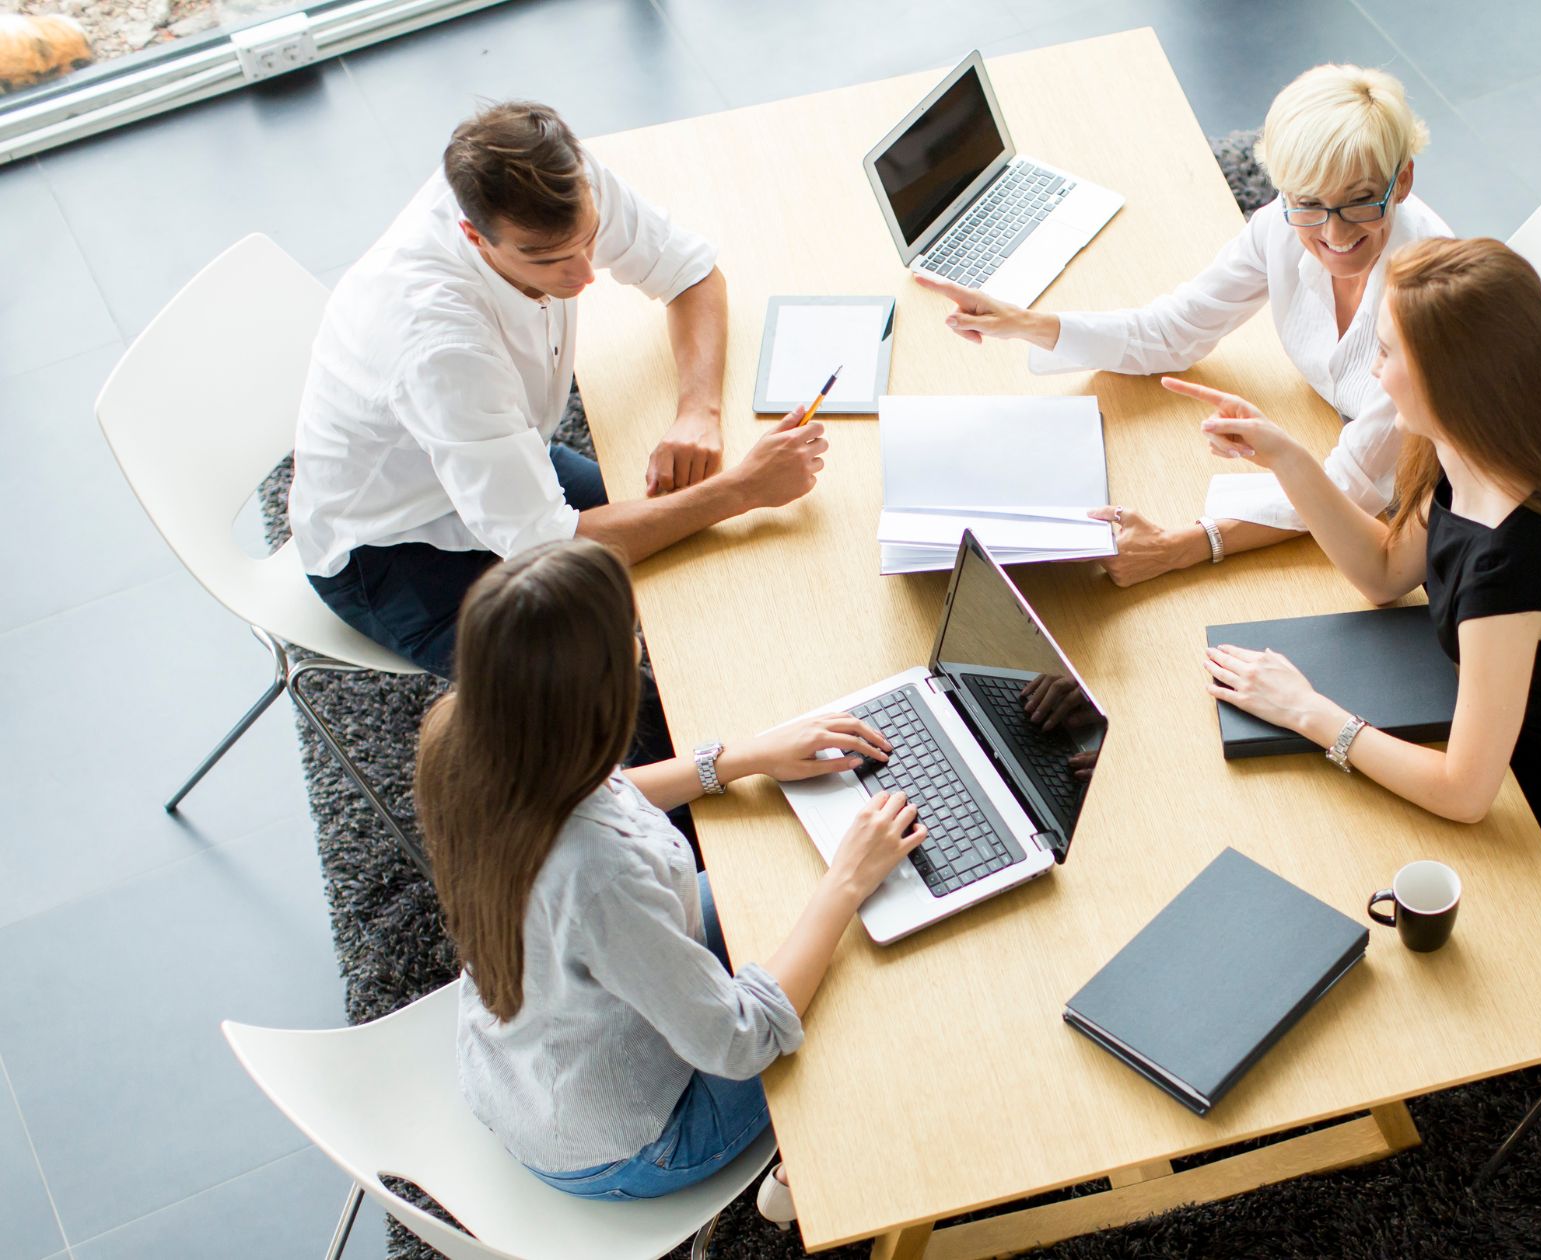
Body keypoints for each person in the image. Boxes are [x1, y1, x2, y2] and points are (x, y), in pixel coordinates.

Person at [1176, 238, 1541, 930]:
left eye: (1390, 352)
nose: (1374, 368)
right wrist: (1282, 455)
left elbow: (1465, 794)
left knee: (1332, 856)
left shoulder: (1514, 568)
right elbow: (1383, 572)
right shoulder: (1468, 450)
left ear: (1450, 380)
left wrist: (1309, 712)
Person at [417, 539, 923, 1208]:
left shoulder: (467, 735)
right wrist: (848, 881)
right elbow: (742, 1040)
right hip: (631, 1145)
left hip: (523, 1068)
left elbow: (601, 793)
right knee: (869, 976)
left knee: (778, 892)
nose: (640, 648)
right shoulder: (603, 876)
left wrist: (740, 758)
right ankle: (810, 1173)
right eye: (631, 637)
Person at [290, 100, 829, 677]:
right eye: (548, 260)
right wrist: (742, 489)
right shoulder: (441, 347)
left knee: (699, 559)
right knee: (613, 715)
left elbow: (690, 273)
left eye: (588, 240)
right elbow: (546, 547)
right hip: (392, 548)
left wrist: (698, 411)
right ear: (474, 236)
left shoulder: (562, 178)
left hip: (510, 450)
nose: (584, 275)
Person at [916, 63, 1451, 586]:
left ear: (1401, 180)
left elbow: (1352, 487)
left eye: (1359, 201)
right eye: (1308, 202)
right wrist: (1026, 323)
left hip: (1425, 495)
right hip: (1328, 434)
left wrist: (1184, 546)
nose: (1333, 232)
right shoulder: (1282, 227)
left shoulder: (1428, 307)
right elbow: (1171, 331)